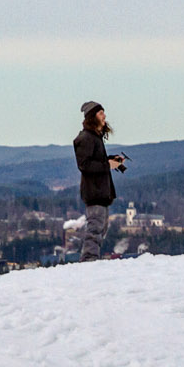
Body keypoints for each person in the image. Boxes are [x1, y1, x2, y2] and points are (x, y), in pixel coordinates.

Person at [73, 101, 127, 261]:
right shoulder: (86, 138)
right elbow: (84, 165)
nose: (104, 116)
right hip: (94, 192)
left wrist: (111, 160)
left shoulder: (94, 138)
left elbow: (93, 161)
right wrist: (107, 164)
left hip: (100, 193)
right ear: (92, 117)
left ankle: (91, 261)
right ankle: (89, 262)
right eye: (101, 113)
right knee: (95, 230)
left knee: (100, 230)